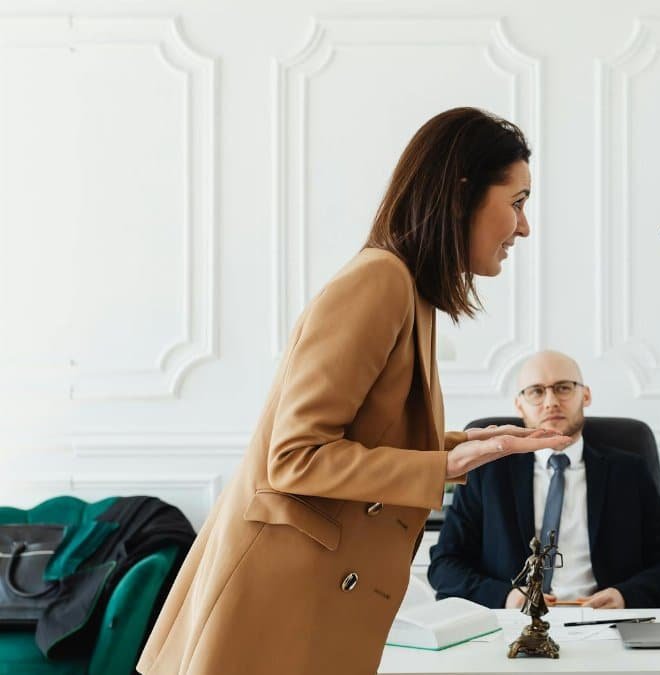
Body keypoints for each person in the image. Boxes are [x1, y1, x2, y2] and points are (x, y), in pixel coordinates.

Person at [136, 108, 572, 675]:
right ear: (462, 192)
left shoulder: (409, 290)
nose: (523, 227)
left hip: (306, 606)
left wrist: (461, 447)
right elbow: (294, 456)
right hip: (275, 613)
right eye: (516, 202)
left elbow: (361, 435)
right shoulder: (380, 281)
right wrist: (440, 465)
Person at [428, 350, 660, 610]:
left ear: (585, 395)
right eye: (536, 391)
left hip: (601, 622)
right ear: (519, 405)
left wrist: (625, 595)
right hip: (513, 626)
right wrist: (507, 598)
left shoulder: (629, 472)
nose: (551, 401)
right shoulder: (487, 472)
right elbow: (444, 567)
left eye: (563, 388)